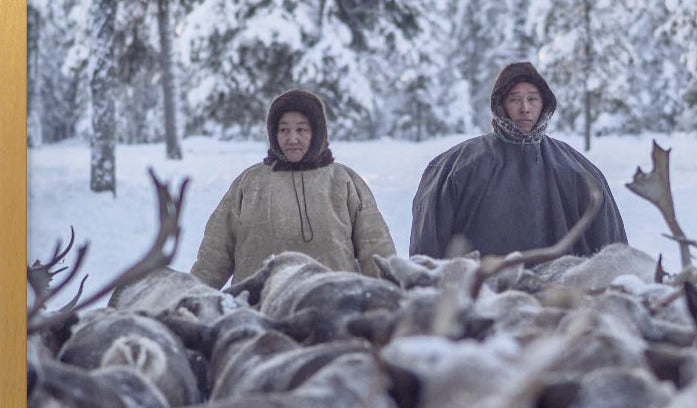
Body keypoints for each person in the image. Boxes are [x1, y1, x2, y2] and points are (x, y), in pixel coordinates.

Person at [409, 62, 627, 258]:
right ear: (501, 104)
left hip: (559, 298)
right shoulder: (454, 168)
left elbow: (611, 257)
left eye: (532, 99)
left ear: (544, 104)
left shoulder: (579, 171)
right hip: (479, 296)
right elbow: (427, 255)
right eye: (515, 99)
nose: (525, 108)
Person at [191, 88, 395, 288]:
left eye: (302, 129)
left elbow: (376, 250)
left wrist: (392, 298)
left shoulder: (345, 181)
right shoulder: (249, 183)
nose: (292, 139)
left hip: (334, 309)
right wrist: (190, 298)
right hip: (259, 310)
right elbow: (215, 254)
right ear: (273, 133)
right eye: (284, 130)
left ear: (317, 132)